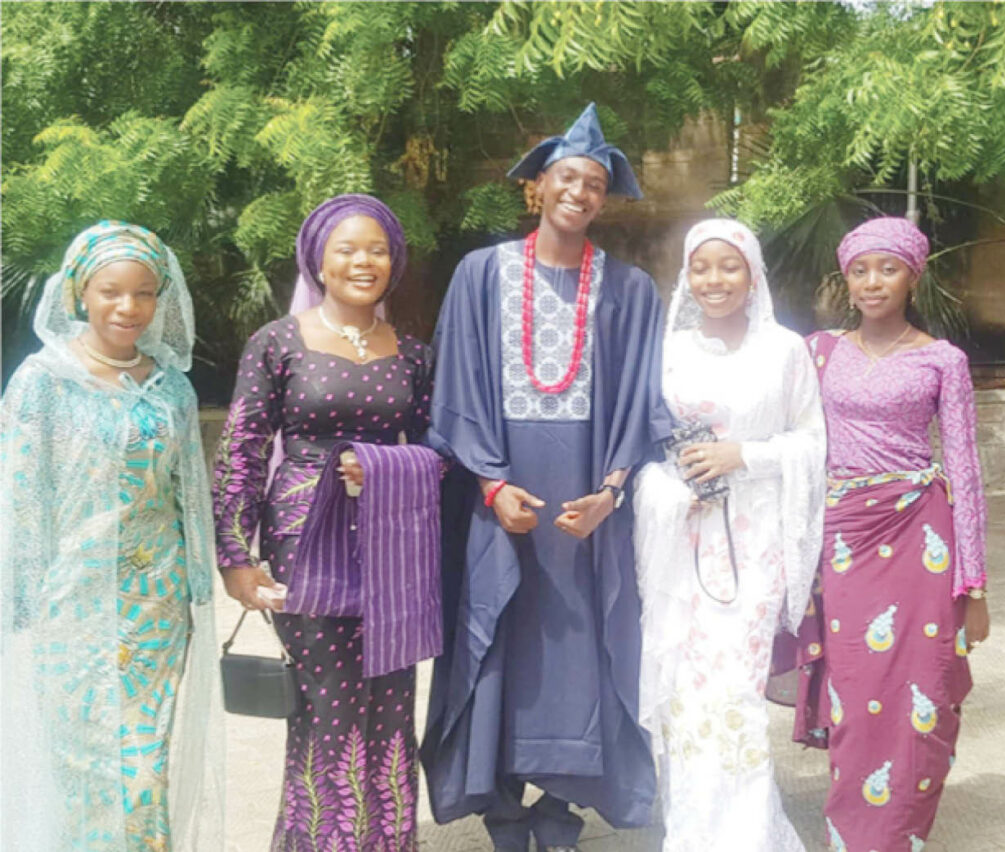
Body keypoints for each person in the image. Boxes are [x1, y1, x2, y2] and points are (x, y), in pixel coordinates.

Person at [421, 102, 672, 852]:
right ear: (537, 186)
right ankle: (501, 808)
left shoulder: (630, 290)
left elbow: (641, 400)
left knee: (582, 643)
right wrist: (491, 485)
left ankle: (561, 809)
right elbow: (456, 386)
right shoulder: (480, 275)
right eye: (567, 177)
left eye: (594, 183)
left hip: (587, 499)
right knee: (498, 633)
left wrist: (612, 493)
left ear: (605, 198)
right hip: (500, 492)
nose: (579, 192)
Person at [212, 194, 441, 852]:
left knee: (389, 708)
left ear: (394, 262)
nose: (363, 262)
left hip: (391, 549)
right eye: (347, 249)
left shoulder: (414, 355)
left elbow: (442, 450)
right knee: (325, 710)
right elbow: (242, 450)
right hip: (305, 551)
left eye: (377, 250)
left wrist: (388, 467)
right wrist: (236, 557)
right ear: (318, 260)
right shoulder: (277, 343)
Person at [0, 221, 223, 851]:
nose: (129, 307)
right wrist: (20, 605)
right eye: (111, 291)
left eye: (144, 293)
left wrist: (197, 591)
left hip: (156, 608)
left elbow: (189, 494)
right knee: (80, 769)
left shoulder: (171, 387)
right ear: (80, 293)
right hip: (70, 608)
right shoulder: (42, 381)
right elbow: (20, 498)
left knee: (144, 773)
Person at [789, 216, 989, 852]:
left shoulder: (942, 359)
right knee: (855, 690)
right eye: (860, 270)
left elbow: (965, 469)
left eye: (888, 268)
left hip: (920, 540)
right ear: (846, 280)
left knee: (921, 691)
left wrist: (974, 584)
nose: (873, 282)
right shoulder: (818, 351)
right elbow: (788, 437)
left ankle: (899, 836)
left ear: (913, 277)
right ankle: (851, 835)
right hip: (844, 538)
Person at [632, 219, 825, 851]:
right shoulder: (668, 351)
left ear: (753, 274)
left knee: (735, 696)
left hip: (756, 543)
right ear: (686, 276)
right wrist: (668, 490)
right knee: (686, 698)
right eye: (701, 267)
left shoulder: (785, 350)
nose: (714, 280)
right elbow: (640, 447)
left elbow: (811, 443)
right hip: (681, 543)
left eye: (729, 266)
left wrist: (744, 455)